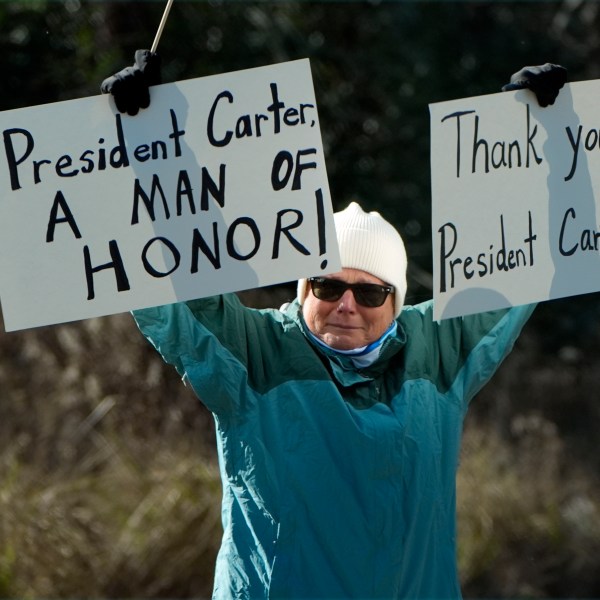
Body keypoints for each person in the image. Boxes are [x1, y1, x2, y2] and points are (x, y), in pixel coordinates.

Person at [102, 58, 566, 598]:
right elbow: (173, 285)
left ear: (397, 304)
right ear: (302, 291)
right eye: (327, 287)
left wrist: (527, 131)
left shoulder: (437, 350)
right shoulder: (257, 353)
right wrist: (140, 144)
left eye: (369, 293)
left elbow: (515, 267)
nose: (346, 304)